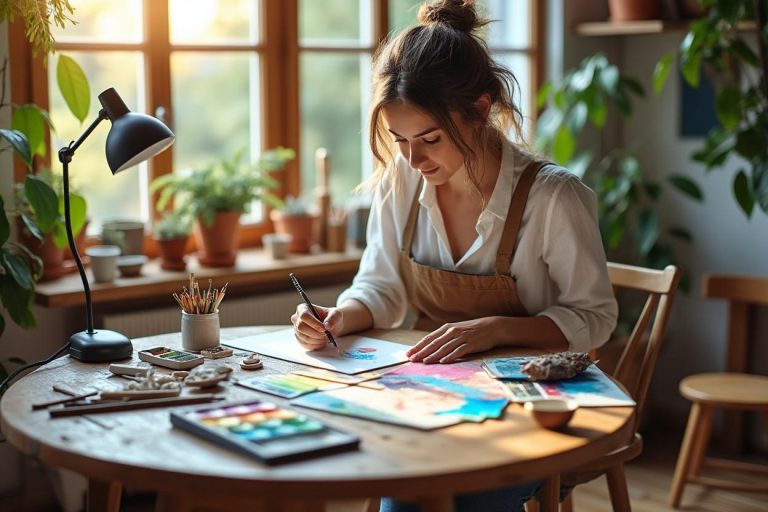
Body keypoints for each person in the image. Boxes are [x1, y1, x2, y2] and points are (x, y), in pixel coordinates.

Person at [291, 0, 617, 510]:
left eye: (430, 139)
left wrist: (493, 329)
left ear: (481, 110)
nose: (413, 159)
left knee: (427, 496)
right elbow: (381, 288)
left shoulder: (554, 198)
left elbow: (594, 318)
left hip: (530, 411)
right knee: (359, 463)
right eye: (398, 140)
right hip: (432, 401)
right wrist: (339, 316)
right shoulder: (401, 181)